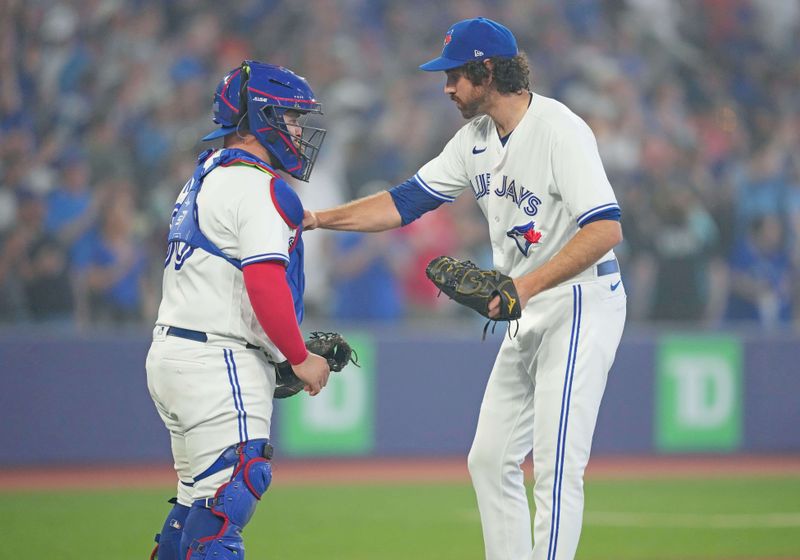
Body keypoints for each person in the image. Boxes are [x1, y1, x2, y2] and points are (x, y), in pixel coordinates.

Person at [304, 18, 626, 560]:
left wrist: (525, 285)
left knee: (555, 461)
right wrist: (316, 218)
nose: (447, 87)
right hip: (525, 307)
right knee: (489, 457)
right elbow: (402, 202)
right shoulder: (472, 141)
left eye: (455, 75)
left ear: (488, 71)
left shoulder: (560, 129)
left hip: (580, 301)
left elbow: (606, 228)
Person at [146, 60, 331, 560]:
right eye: (291, 118)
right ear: (263, 116)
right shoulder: (256, 185)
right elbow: (264, 280)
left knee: (194, 510)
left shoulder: (206, 176)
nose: (298, 130)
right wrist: (296, 354)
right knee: (230, 501)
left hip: (176, 353)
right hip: (217, 360)